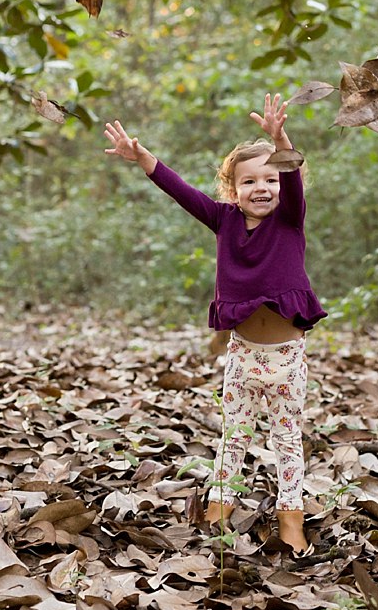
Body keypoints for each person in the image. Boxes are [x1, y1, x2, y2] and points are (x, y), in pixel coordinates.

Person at [102, 94, 325, 554]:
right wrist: (143, 157)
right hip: (242, 354)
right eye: (249, 181)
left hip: (286, 358)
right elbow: (181, 191)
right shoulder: (224, 221)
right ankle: (218, 515)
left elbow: (292, 181)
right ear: (232, 190)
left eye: (271, 178)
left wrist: (279, 138)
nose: (262, 187)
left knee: (286, 441)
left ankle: (292, 520)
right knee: (234, 437)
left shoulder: (289, 220)